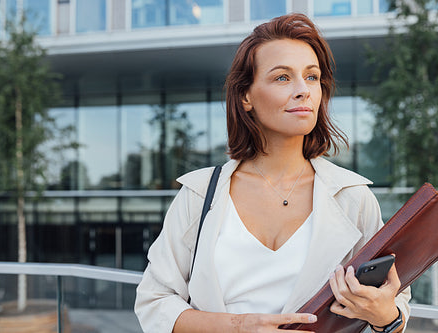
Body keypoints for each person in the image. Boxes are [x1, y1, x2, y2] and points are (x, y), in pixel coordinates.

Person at [135, 13, 411, 333]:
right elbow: (154, 303)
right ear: (246, 96)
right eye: (282, 77)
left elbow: (397, 305)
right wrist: (240, 327)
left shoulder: (352, 196)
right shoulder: (199, 193)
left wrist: (386, 316)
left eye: (311, 77)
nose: (303, 90)